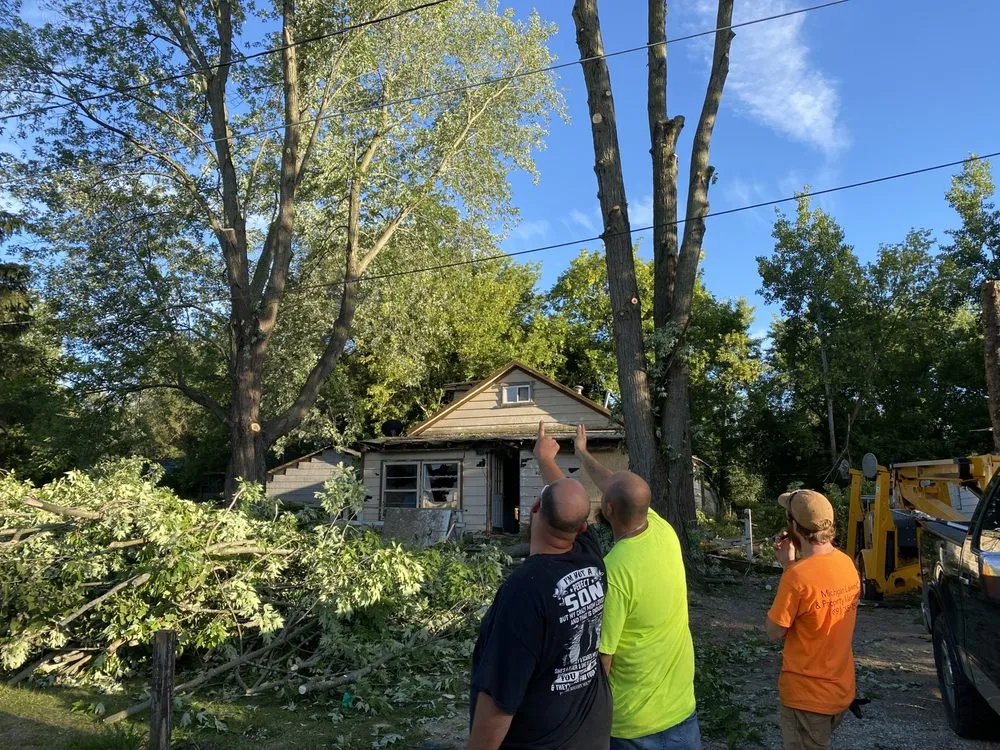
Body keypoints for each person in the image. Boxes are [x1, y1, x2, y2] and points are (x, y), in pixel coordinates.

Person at [467, 422, 611, 750]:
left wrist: (542, 455)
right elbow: (569, 508)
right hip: (590, 733)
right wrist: (547, 461)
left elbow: (499, 699)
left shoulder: (523, 591)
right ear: (583, 528)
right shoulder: (592, 557)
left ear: (533, 511)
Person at [572, 424, 701, 749]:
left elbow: (604, 657)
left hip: (633, 727)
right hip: (681, 712)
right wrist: (582, 453)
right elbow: (619, 488)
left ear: (609, 509)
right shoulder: (663, 530)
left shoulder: (615, 570)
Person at [765, 489, 861, 750]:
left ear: (794, 526)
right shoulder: (846, 563)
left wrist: (789, 567)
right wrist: (792, 565)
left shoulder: (797, 577)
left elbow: (774, 631)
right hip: (840, 690)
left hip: (806, 698)